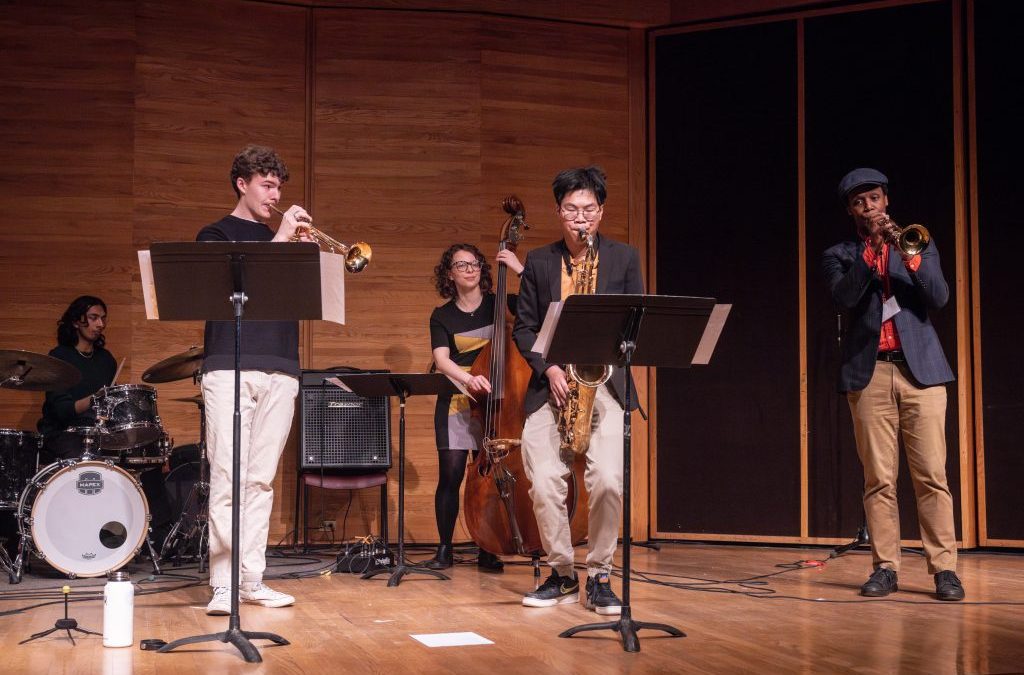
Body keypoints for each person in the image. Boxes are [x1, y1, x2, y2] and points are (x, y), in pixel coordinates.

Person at [822, 167, 964, 601]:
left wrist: (909, 256)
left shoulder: (918, 241)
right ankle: (886, 567)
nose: (871, 207)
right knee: (879, 478)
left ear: (887, 201)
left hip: (921, 372)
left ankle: (944, 569)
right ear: (852, 210)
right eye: (861, 202)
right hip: (870, 373)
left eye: (876, 199)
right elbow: (845, 297)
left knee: (932, 476)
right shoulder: (841, 254)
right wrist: (872, 254)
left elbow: (938, 296)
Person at [512, 166, 643, 614]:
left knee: (608, 480)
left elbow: (636, 322)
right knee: (545, 482)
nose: (580, 218)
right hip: (552, 384)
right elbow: (525, 326)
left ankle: (601, 574)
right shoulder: (539, 261)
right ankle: (562, 572)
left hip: (603, 383)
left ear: (601, 213)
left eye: (589, 209)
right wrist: (547, 369)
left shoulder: (624, 259)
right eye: (571, 209)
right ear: (558, 213)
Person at [197, 144, 311, 615]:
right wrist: (281, 241)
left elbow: (301, 303)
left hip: (282, 366)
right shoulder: (215, 234)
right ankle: (222, 583)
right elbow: (229, 292)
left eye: (279, 186)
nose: (275, 194)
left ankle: (251, 580)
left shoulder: (279, 240)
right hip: (229, 365)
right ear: (242, 184)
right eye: (267, 184)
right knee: (228, 476)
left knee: (260, 482)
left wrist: (303, 261)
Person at [35, 296, 172, 550]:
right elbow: (63, 411)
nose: (100, 324)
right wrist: (96, 397)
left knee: (145, 458)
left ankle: (159, 538)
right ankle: (76, 535)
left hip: (98, 432)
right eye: (94, 317)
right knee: (85, 455)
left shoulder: (106, 360)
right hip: (64, 433)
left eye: (103, 318)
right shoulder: (59, 358)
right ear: (77, 321)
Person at [425, 243, 523, 572]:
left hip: (497, 404)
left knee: (494, 477)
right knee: (450, 477)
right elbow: (441, 360)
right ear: (449, 274)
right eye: (461, 264)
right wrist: (468, 379)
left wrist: (520, 270)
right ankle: (444, 549)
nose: (470, 269)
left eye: (475, 263)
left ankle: (488, 547)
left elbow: (540, 305)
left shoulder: (501, 304)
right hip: (457, 400)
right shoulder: (442, 316)